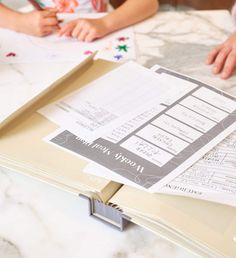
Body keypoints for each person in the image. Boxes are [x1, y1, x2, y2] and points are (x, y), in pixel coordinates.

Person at [0, 0, 159, 41]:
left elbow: (148, 3)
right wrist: (19, 21)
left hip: (107, 31)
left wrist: (105, 23)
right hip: (45, 37)